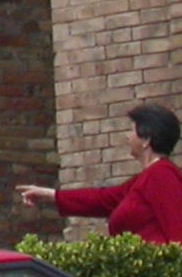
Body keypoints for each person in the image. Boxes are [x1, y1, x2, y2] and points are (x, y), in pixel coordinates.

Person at [17, 103, 182, 243]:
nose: (127, 136)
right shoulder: (147, 177)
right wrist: (51, 195)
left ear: (146, 140)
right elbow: (104, 199)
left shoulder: (162, 175)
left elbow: (177, 232)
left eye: (132, 130)